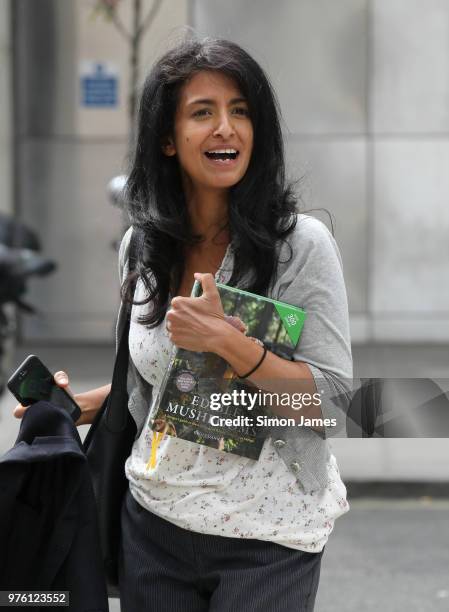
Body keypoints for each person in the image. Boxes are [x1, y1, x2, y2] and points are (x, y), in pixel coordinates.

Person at [14, 37, 352, 612]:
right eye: (203, 113)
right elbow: (159, 383)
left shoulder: (299, 247)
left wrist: (229, 344)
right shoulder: (142, 248)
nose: (226, 128)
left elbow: (333, 402)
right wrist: (81, 405)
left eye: (240, 111)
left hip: (267, 539)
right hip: (153, 525)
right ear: (167, 140)